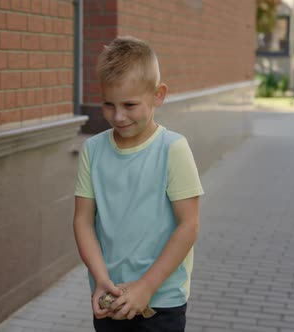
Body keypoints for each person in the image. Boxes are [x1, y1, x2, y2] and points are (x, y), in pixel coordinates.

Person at [73, 36, 204, 332]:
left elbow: (189, 226)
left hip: (161, 301)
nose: (118, 116)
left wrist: (146, 286)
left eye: (130, 105)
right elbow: (83, 221)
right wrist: (99, 277)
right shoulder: (93, 150)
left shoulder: (174, 149)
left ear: (158, 95)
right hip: (109, 295)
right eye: (108, 104)